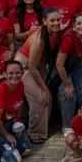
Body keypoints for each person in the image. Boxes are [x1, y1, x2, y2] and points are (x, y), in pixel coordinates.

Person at [17, 9, 65, 143]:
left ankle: (42, 130)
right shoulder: (39, 40)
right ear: (44, 21)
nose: (56, 23)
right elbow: (31, 66)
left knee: (46, 97)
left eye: (58, 20)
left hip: (38, 66)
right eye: (52, 20)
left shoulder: (55, 33)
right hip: (24, 68)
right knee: (41, 97)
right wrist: (44, 88)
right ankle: (34, 133)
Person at [0, 58, 31, 162]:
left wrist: (17, 121)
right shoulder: (0, 92)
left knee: (26, 149)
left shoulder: (20, 85)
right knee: (14, 161)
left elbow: (19, 104)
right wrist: (7, 135)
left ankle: (1, 148)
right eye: (10, 73)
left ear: (22, 73)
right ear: (5, 74)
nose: (14, 76)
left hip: (8, 123)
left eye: (18, 73)